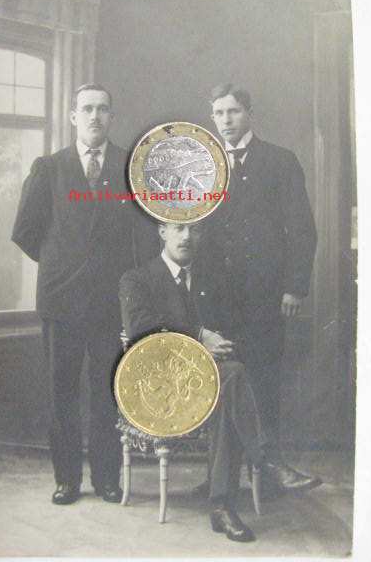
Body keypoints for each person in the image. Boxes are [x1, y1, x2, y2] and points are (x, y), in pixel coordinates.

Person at [120, 221, 294, 543]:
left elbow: (232, 330)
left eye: (195, 230)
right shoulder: (137, 279)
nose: (187, 237)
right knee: (232, 379)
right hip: (163, 386)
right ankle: (263, 460)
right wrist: (199, 336)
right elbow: (141, 330)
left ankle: (222, 504)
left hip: (214, 382)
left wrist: (222, 346)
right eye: (179, 228)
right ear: (162, 231)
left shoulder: (213, 281)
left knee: (230, 381)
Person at [12, 84, 134, 506]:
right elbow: (24, 231)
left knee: (107, 392)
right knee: (61, 392)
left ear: (111, 117)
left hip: (109, 302)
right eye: (87, 109)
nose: (95, 116)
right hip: (61, 301)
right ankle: (67, 479)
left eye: (103, 108)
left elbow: (141, 235)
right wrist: (62, 263)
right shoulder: (49, 168)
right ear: (73, 117)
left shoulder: (128, 166)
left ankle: (106, 479)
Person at [206, 82, 321, 493]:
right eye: (219, 113)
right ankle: (220, 477)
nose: (226, 120)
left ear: (249, 113)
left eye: (233, 111)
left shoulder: (279, 161)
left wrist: (294, 287)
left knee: (263, 379)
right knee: (223, 379)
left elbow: (302, 229)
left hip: (266, 295)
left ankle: (269, 467)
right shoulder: (204, 163)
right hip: (217, 297)